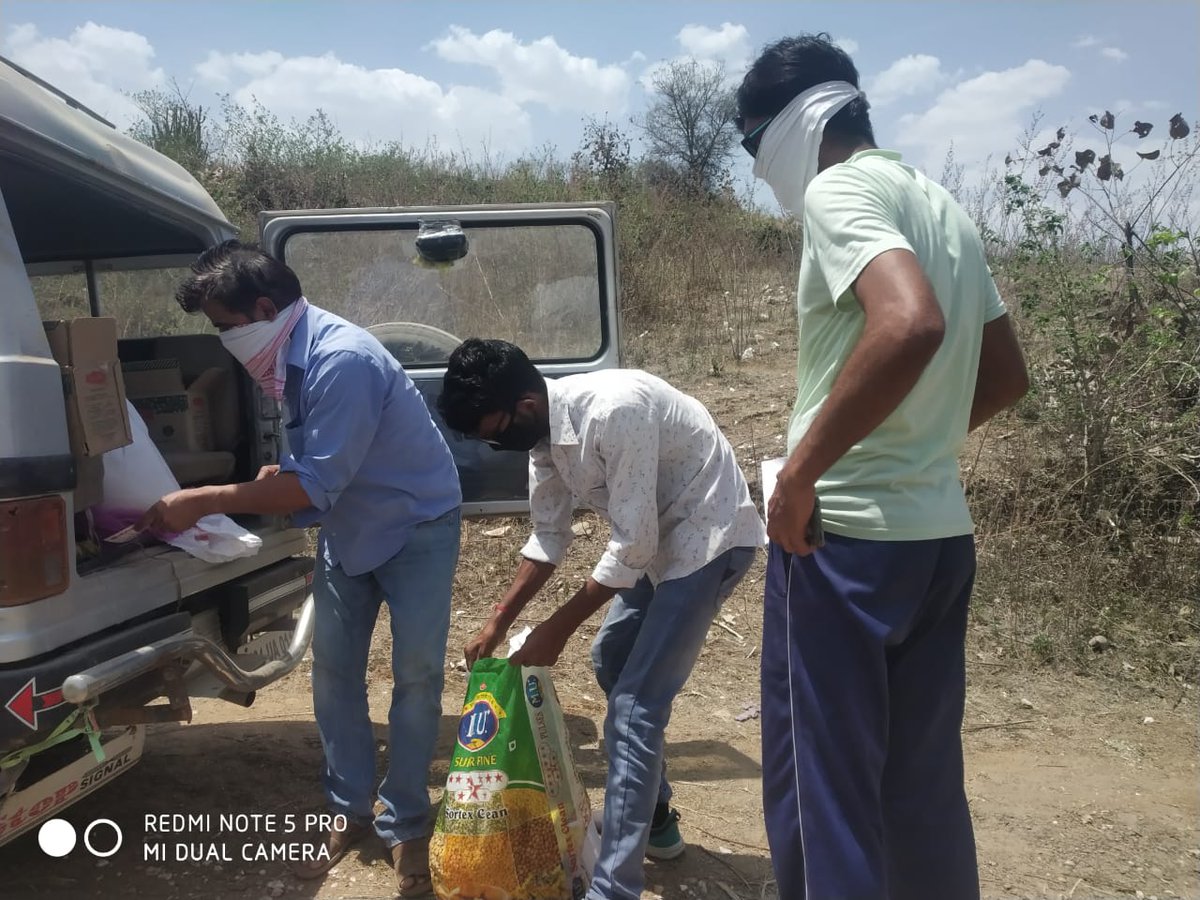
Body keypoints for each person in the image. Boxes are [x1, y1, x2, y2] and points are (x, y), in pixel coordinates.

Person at [736, 34, 1031, 900]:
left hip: (842, 544)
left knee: (824, 792)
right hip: (937, 541)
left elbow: (908, 323)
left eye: (752, 145)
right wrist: (918, 443)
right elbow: (1005, 375)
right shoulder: (941, 206)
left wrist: (801, 476)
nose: (755, 167)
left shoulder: (838, 190)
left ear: (788, 126)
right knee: (921, 789)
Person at [138, 240, 462, 896]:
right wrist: (281, 474)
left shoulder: (340, 359)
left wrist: (202, 499)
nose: (223, 341)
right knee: (334, 675)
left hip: (415, 525)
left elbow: (314, 486)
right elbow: (318, 464)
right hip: (350, 527)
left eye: (224, 326)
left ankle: (406, 821)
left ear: (263, 310)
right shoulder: (286, 355)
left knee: (417, 677)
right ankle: (349, 808)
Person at [438, 339, 765, 900]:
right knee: (611, 657)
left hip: (708, 537)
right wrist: (499, 621)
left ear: (525, 404)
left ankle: (614, 887)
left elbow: (631, 546)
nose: (493, 445)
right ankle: (654, 816)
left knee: (635, 708)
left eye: (493, 432)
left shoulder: (615, 410)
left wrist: (556, 629)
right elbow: (549, 537)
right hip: (658, 546)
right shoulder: (544, 439)